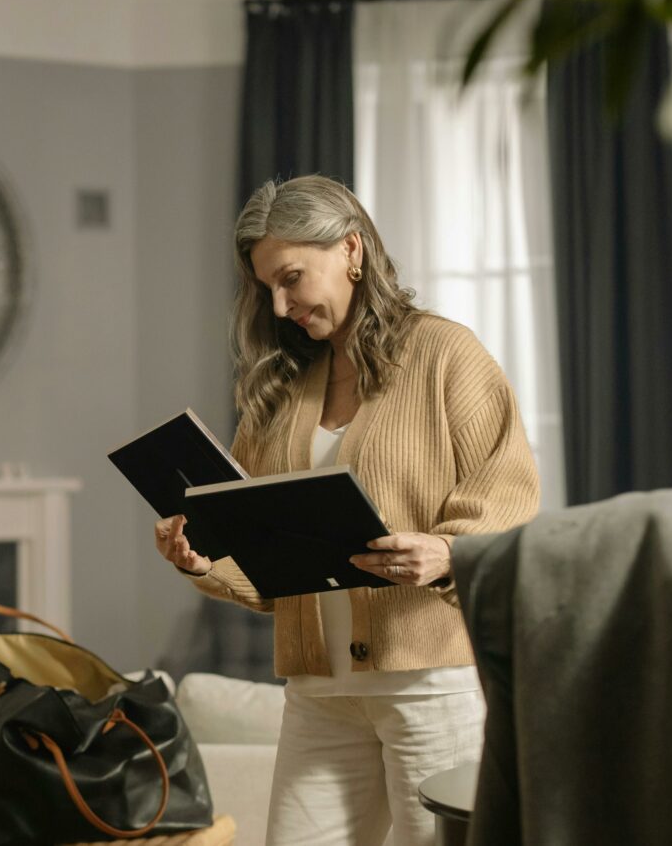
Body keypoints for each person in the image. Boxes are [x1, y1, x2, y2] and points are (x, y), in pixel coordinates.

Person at [153, 174, 540, 846]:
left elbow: (510, 500)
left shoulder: (446, 355)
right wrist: (203, 557)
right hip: (317, 694)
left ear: (353, 252)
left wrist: (446, 552)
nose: (280, 305)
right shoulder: (281, 392)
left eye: (292, 277)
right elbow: (268, 562)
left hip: (429, 685)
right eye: (267, 286)